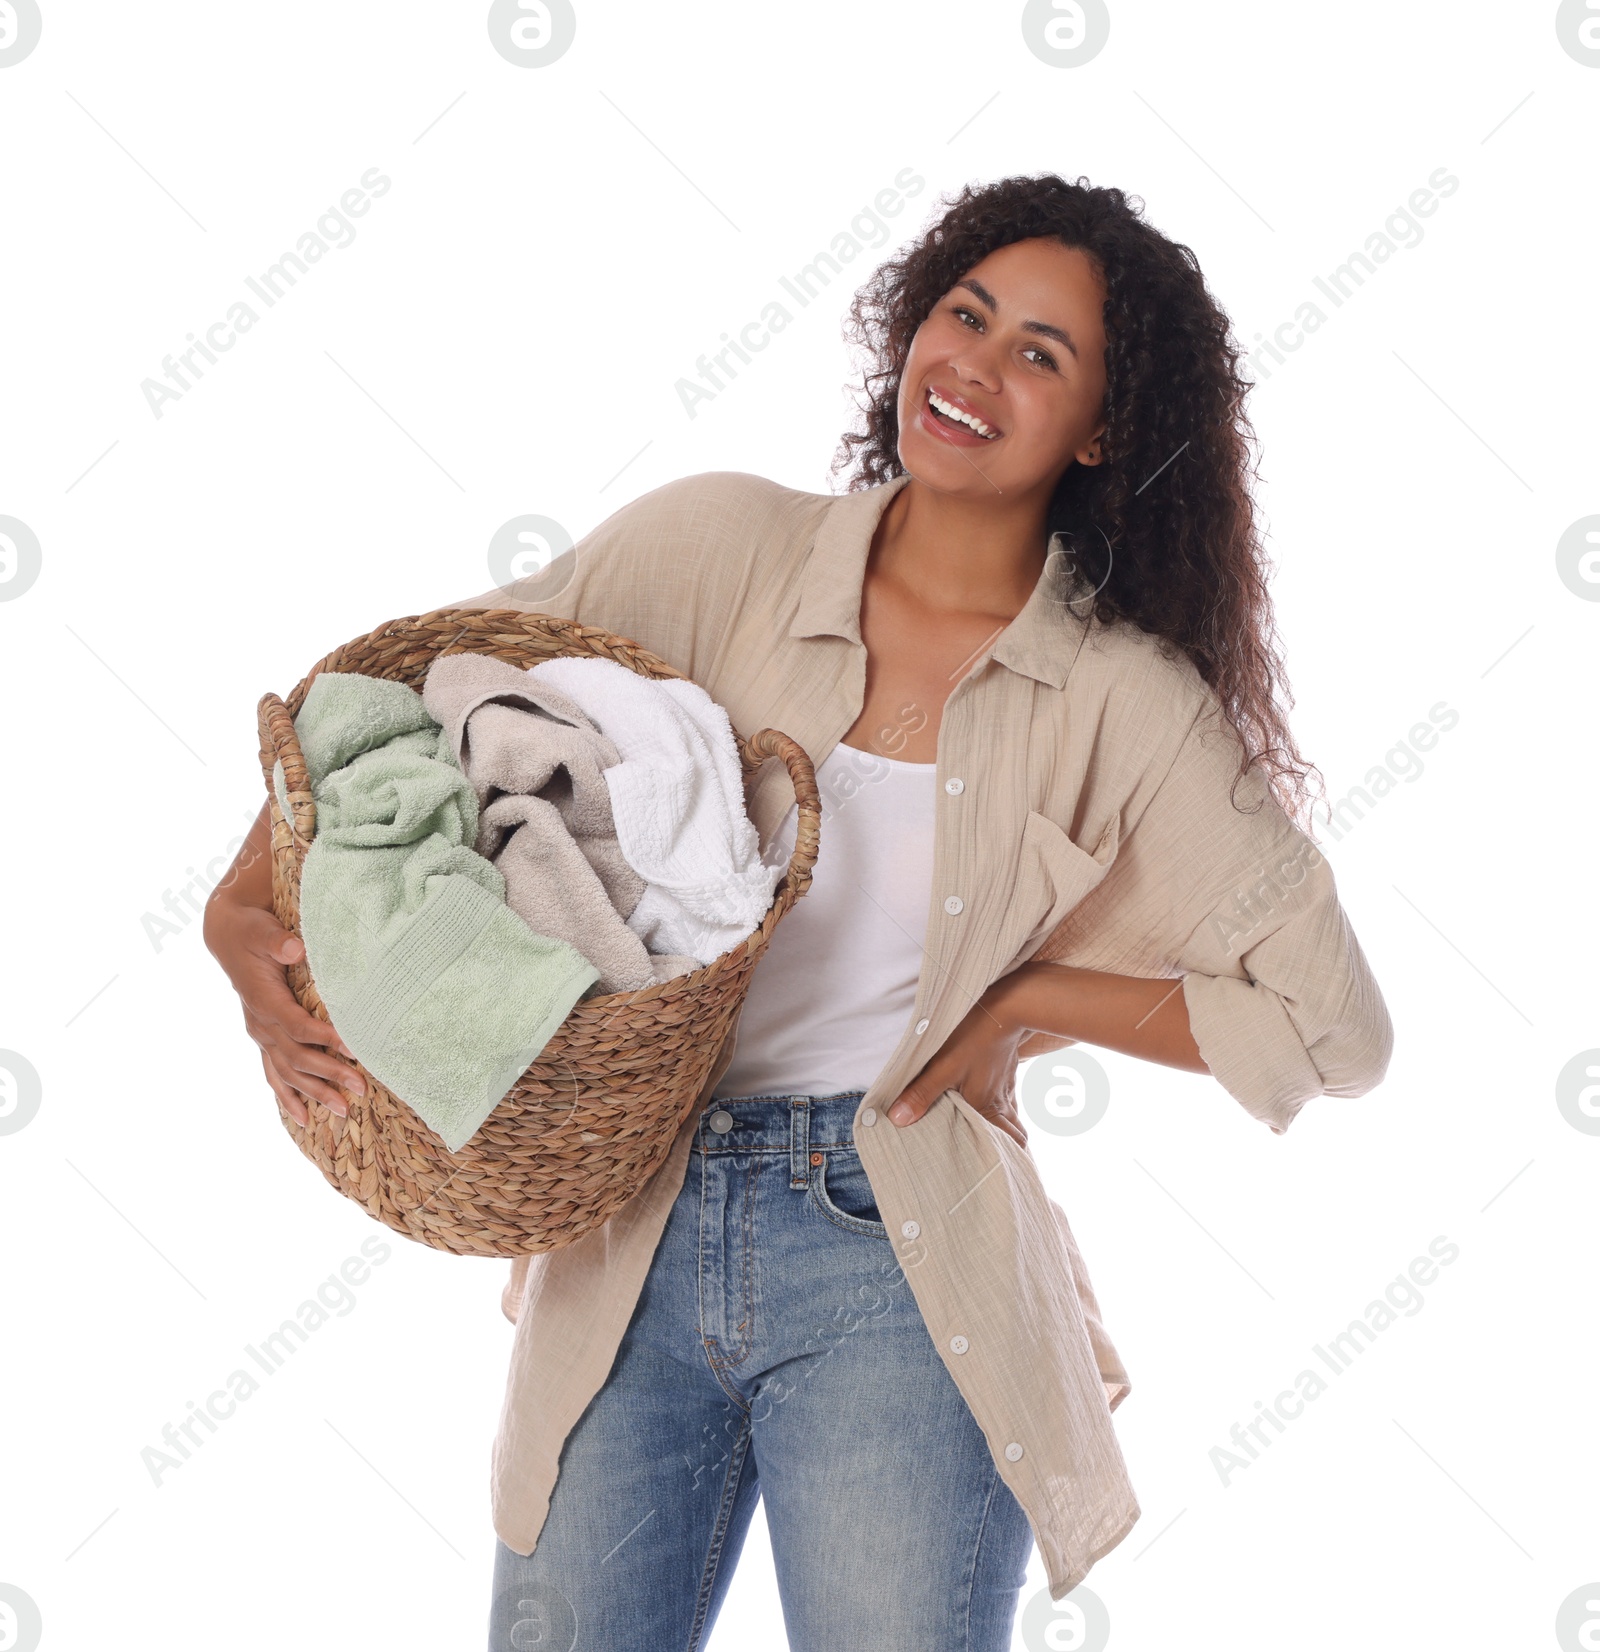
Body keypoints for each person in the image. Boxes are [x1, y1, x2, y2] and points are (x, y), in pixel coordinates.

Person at [205, 173, 1393, 1652]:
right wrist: (236, 902)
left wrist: (1022, 1004)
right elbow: (413, 697)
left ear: (1099, 429)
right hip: (625, 1227)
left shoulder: (1122, 705)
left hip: (903, 1254)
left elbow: (1335, 1029)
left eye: (1041, 352)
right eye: (964, 314)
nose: (974, 365)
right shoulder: (717, 548)